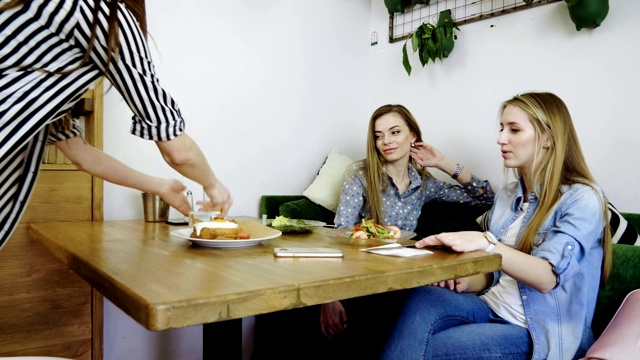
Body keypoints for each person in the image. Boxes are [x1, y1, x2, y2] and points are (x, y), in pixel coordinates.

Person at [252, 104, 494, 360]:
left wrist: (443, 162)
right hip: (361, 277)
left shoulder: (424, 186)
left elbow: (484, 198)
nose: (385, 141)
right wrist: (330, 297)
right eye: (379, 135)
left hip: (402, 279)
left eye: (394, 132)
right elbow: (341, 236)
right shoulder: (360, 178)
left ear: (412, 136)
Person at [382, 92, 612, 360]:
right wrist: (465, 281)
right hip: (491, 306)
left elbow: (547, 278)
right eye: (502, 128)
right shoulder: (507, 196)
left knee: (428, 348)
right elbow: (496, 275)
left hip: (536, 331)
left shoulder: (582, 198)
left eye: (514, 129)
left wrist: (487, 244)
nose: (501, 138)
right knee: (422, 297)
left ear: (548, 138)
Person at [0, 0, 232, 250]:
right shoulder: (104, 14)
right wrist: (213, 185)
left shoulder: (42, 25)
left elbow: (81, 155)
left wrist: (161, 186)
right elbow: (178, 151)